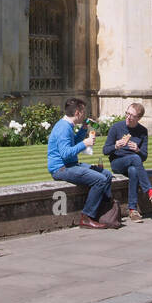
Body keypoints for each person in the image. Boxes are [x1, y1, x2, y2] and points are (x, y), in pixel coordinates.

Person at [48, 98, 116, 229]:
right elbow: (66, 153)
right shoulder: (63, 128)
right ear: (78, 113)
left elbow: (72, 142)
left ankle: (104, 210)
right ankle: (87, 217)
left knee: (106, 174)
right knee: (100, 180)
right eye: (83, 112)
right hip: (61, 169)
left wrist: (84, 129)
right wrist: (85, 143)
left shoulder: (67, 125)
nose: (85, 115)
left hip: (71, 165)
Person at [103, 103, 152, 221]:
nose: (128, 117)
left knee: (134, 170)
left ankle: (132, 210)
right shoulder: (116, 127)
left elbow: (144, 156)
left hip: (133, 164)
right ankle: (150, 192)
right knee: (135, 159)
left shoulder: (142, 131)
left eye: (132, 116)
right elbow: (105, 150)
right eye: (127, 113)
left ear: (138, 118)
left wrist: (137, 150)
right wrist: (115, 145)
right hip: (117, 162)